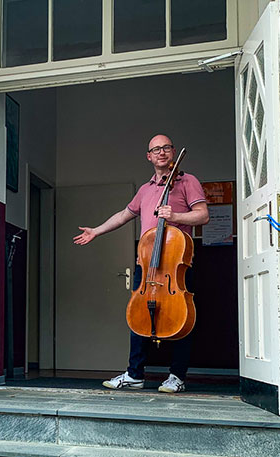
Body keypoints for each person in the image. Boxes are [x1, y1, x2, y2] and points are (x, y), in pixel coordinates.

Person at [73, 134, 209, 393]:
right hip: (147, 267)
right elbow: (125, 214)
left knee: (182, 318)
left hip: (176, 265)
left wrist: (176, 215)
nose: (161, 152)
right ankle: (134, 374)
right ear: (149, 156)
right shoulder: (145, 190)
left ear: (172, 151)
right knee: (137, 315)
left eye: (166, 148)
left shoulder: (187, 181)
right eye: (155, 149)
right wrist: (96, 231)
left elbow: (203, 215)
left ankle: (176, 376)